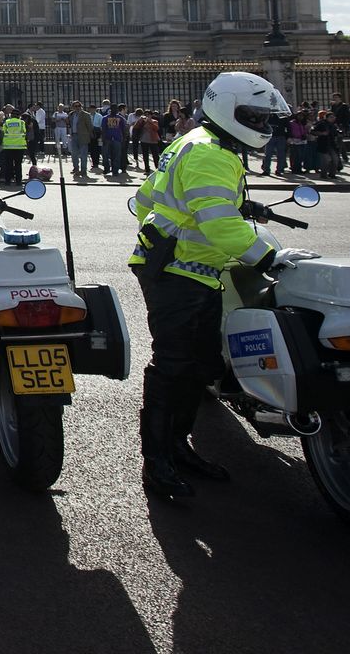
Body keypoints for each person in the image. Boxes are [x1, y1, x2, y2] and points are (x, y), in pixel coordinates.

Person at [129, 71, 315, 500]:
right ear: (227, 111)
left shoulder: (195, 142)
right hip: (178, 273)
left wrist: (227, 206)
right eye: (254, 116)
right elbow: (217, 223)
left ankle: (178, 447)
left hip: (190, 269)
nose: (263, 126)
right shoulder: (212, 153)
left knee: (197, 367)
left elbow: (145, 199)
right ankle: (157, 462)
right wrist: (267, 256)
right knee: (173, 367)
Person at [0, 105, 27, 185]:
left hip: (8, 147)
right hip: (19, 147)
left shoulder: (7, 122)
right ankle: (18, 181)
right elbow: (24, 132)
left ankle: (8, 181)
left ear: (11, 115)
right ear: (19, 116)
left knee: (8, 165)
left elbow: (3, 131)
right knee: (18, 165)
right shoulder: (22, 123)